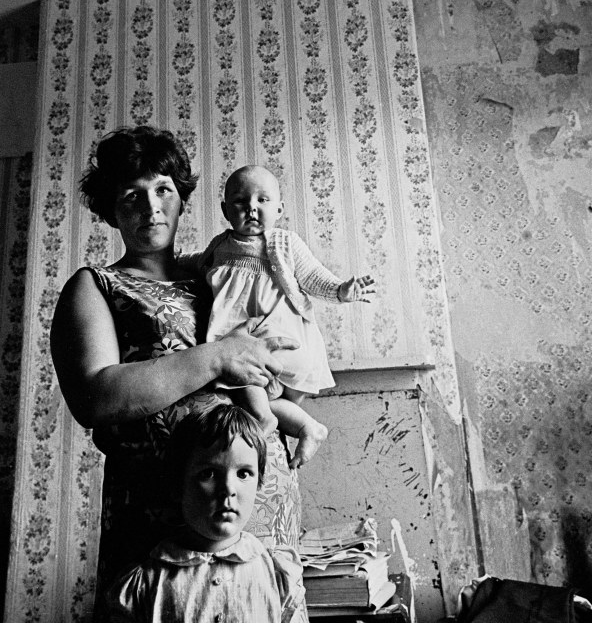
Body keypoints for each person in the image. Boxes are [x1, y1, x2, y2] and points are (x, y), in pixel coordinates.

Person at [50, 126, 302, 610]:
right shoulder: (96, 287)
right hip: (159, 515)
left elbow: (281, 358)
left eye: (163, 189)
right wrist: (216, 356)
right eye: (132, 196)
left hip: (259, 498)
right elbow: (95, 397)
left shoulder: (218, 275)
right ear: (110, 210)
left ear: (182, 198)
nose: (151, 207)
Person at [185, 164, 375, 469]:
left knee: (240, 377)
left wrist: (340, 290)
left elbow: (313, 276)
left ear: (280, 208)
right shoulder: (220, 246)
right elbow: (196, 264)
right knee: (256, 393)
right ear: (224, 209)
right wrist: (173, 259)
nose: (251, 208)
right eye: (240, 201)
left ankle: (263, 420)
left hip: (282, 342)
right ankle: (308, 428)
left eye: (262, 200)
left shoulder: (285, 243)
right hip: (258, 350)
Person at [105, 403, 307, 623]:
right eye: (209, 473)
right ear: (177, 486)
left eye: (243, 474)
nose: (228, 489)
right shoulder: (146, 583)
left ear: (259, 484)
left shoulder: (276, 574)